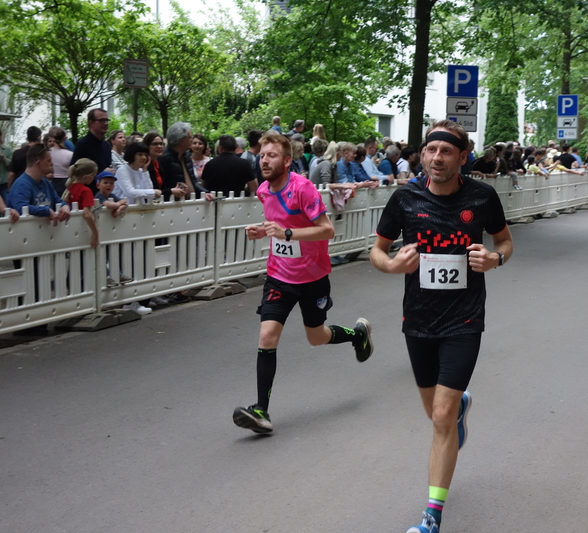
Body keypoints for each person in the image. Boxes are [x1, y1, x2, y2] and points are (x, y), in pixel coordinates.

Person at [369, 119, 513, 533]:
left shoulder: (482, 197)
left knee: (441, 416)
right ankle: (459, 410)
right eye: (431, 150)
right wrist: (392, 265)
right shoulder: (405, 198)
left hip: (464, 319)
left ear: (463, 157)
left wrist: (495, 259)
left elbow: (505, 242)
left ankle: (431, 517)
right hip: (418, 320)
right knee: (435, 412)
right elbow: (377, 251)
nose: (436, 158)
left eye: (446, 151)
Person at [233, 132, 374, 434]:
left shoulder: (303, 188)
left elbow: (327, 230)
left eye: (271, 156)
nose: (264, 161)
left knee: (317, 337)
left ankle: (357, 334)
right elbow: (278, 225)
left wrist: (286, 233)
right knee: (267, 335)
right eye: (262, 155)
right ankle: (261, 411)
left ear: (287, 161)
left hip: (312, 277)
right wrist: (263, 231)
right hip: (279, 276)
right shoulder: (263, 190)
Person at [7, 143, 71, 224]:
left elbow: (57, 200)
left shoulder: (46, 182)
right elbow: (21, 208)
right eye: (48, 161)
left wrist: (65, 206)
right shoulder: (21, 184)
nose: (52, 164)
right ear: (38, 163)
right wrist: (46, 211)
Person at [157, 122, 214, 203]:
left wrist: (205, 192)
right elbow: (161, 187)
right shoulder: (164, 159)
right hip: (173, 205)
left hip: (190, 203)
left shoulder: (187, 156)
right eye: (189, 137)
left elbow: (193, 182)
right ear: (182, 141)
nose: (191, 140)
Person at [61, 158, 99, 248]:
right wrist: (95, 233)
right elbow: (87, 214)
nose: (94, 178)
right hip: (82, 230)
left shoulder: (69, 188)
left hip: (69, 228)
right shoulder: (86, 191)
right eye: (94, 176)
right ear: (88, 176)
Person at [70, 108, 112, 186]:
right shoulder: (83, 144)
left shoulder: (107, 145)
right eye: (101, 120)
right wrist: (102, 174)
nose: (106, 123)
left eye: (107, 120)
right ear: (91, 123)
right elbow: (76, 172)